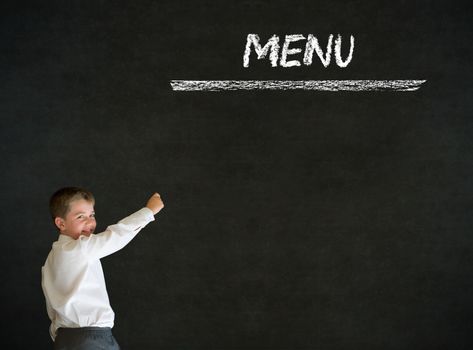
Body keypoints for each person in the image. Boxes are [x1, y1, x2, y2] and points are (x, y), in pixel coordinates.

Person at [41, 187, 164, 349]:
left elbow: (53, 308)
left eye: (92, 215)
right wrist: (149, 211)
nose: (90, 222)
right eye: (80, 216)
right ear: (61, 223)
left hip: (69, 338)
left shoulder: (52, 258)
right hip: (89, 338)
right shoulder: (78, 249)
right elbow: (116, 236)